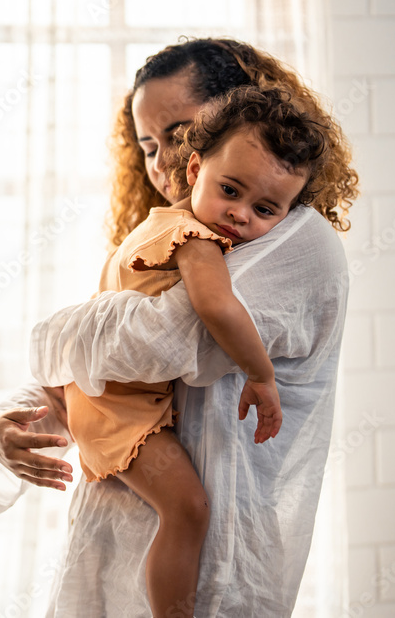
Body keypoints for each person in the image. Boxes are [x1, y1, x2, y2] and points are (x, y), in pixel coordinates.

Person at [0, 38, 359, 616]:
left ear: (237, 113)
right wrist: (1, 422)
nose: (159, 164)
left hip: (212, 577)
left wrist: (53, 334)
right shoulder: (180, 231)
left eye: (177, 134)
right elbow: (99, 376)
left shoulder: (292, 241)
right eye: (147, 145)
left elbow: (155, 344)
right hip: (109, 549)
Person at [58, 85, 330, 618]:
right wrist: (260, 375)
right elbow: (218, 309)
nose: (240, 216)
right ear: (194, 171)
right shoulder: (194, 238)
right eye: (229, 190)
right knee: (189, 509)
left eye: (266, 208)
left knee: (183, 510)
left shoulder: (155, 227)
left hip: (104, 396)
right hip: (117, 406)